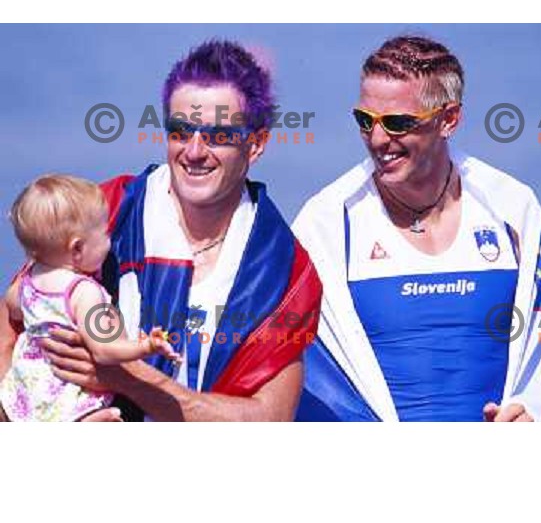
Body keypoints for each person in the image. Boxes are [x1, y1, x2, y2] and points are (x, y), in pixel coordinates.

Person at [0, 40, 321, 422]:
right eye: (180, 131)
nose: (195, 151)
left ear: (256, 144)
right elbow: (10, 331)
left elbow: (270, 419)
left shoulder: (282, 267)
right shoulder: (102, 212)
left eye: (218, 136)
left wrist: (127, 378)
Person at [293, 34, 541, 422]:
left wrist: (530, 412)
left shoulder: (511, 205)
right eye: (365, 121)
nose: (378, 139)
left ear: (449, 120)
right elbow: (299, 369)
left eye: (398, 123)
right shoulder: (325, 220)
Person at [0, 175, 181, 421]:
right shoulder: (84, 292)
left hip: (26, 393)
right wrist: (147, 346)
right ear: (77, 249)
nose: (110, 242)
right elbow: (104, 350)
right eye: (106, 234)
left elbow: (13, 308)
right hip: (65, 397)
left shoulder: (28, 282)